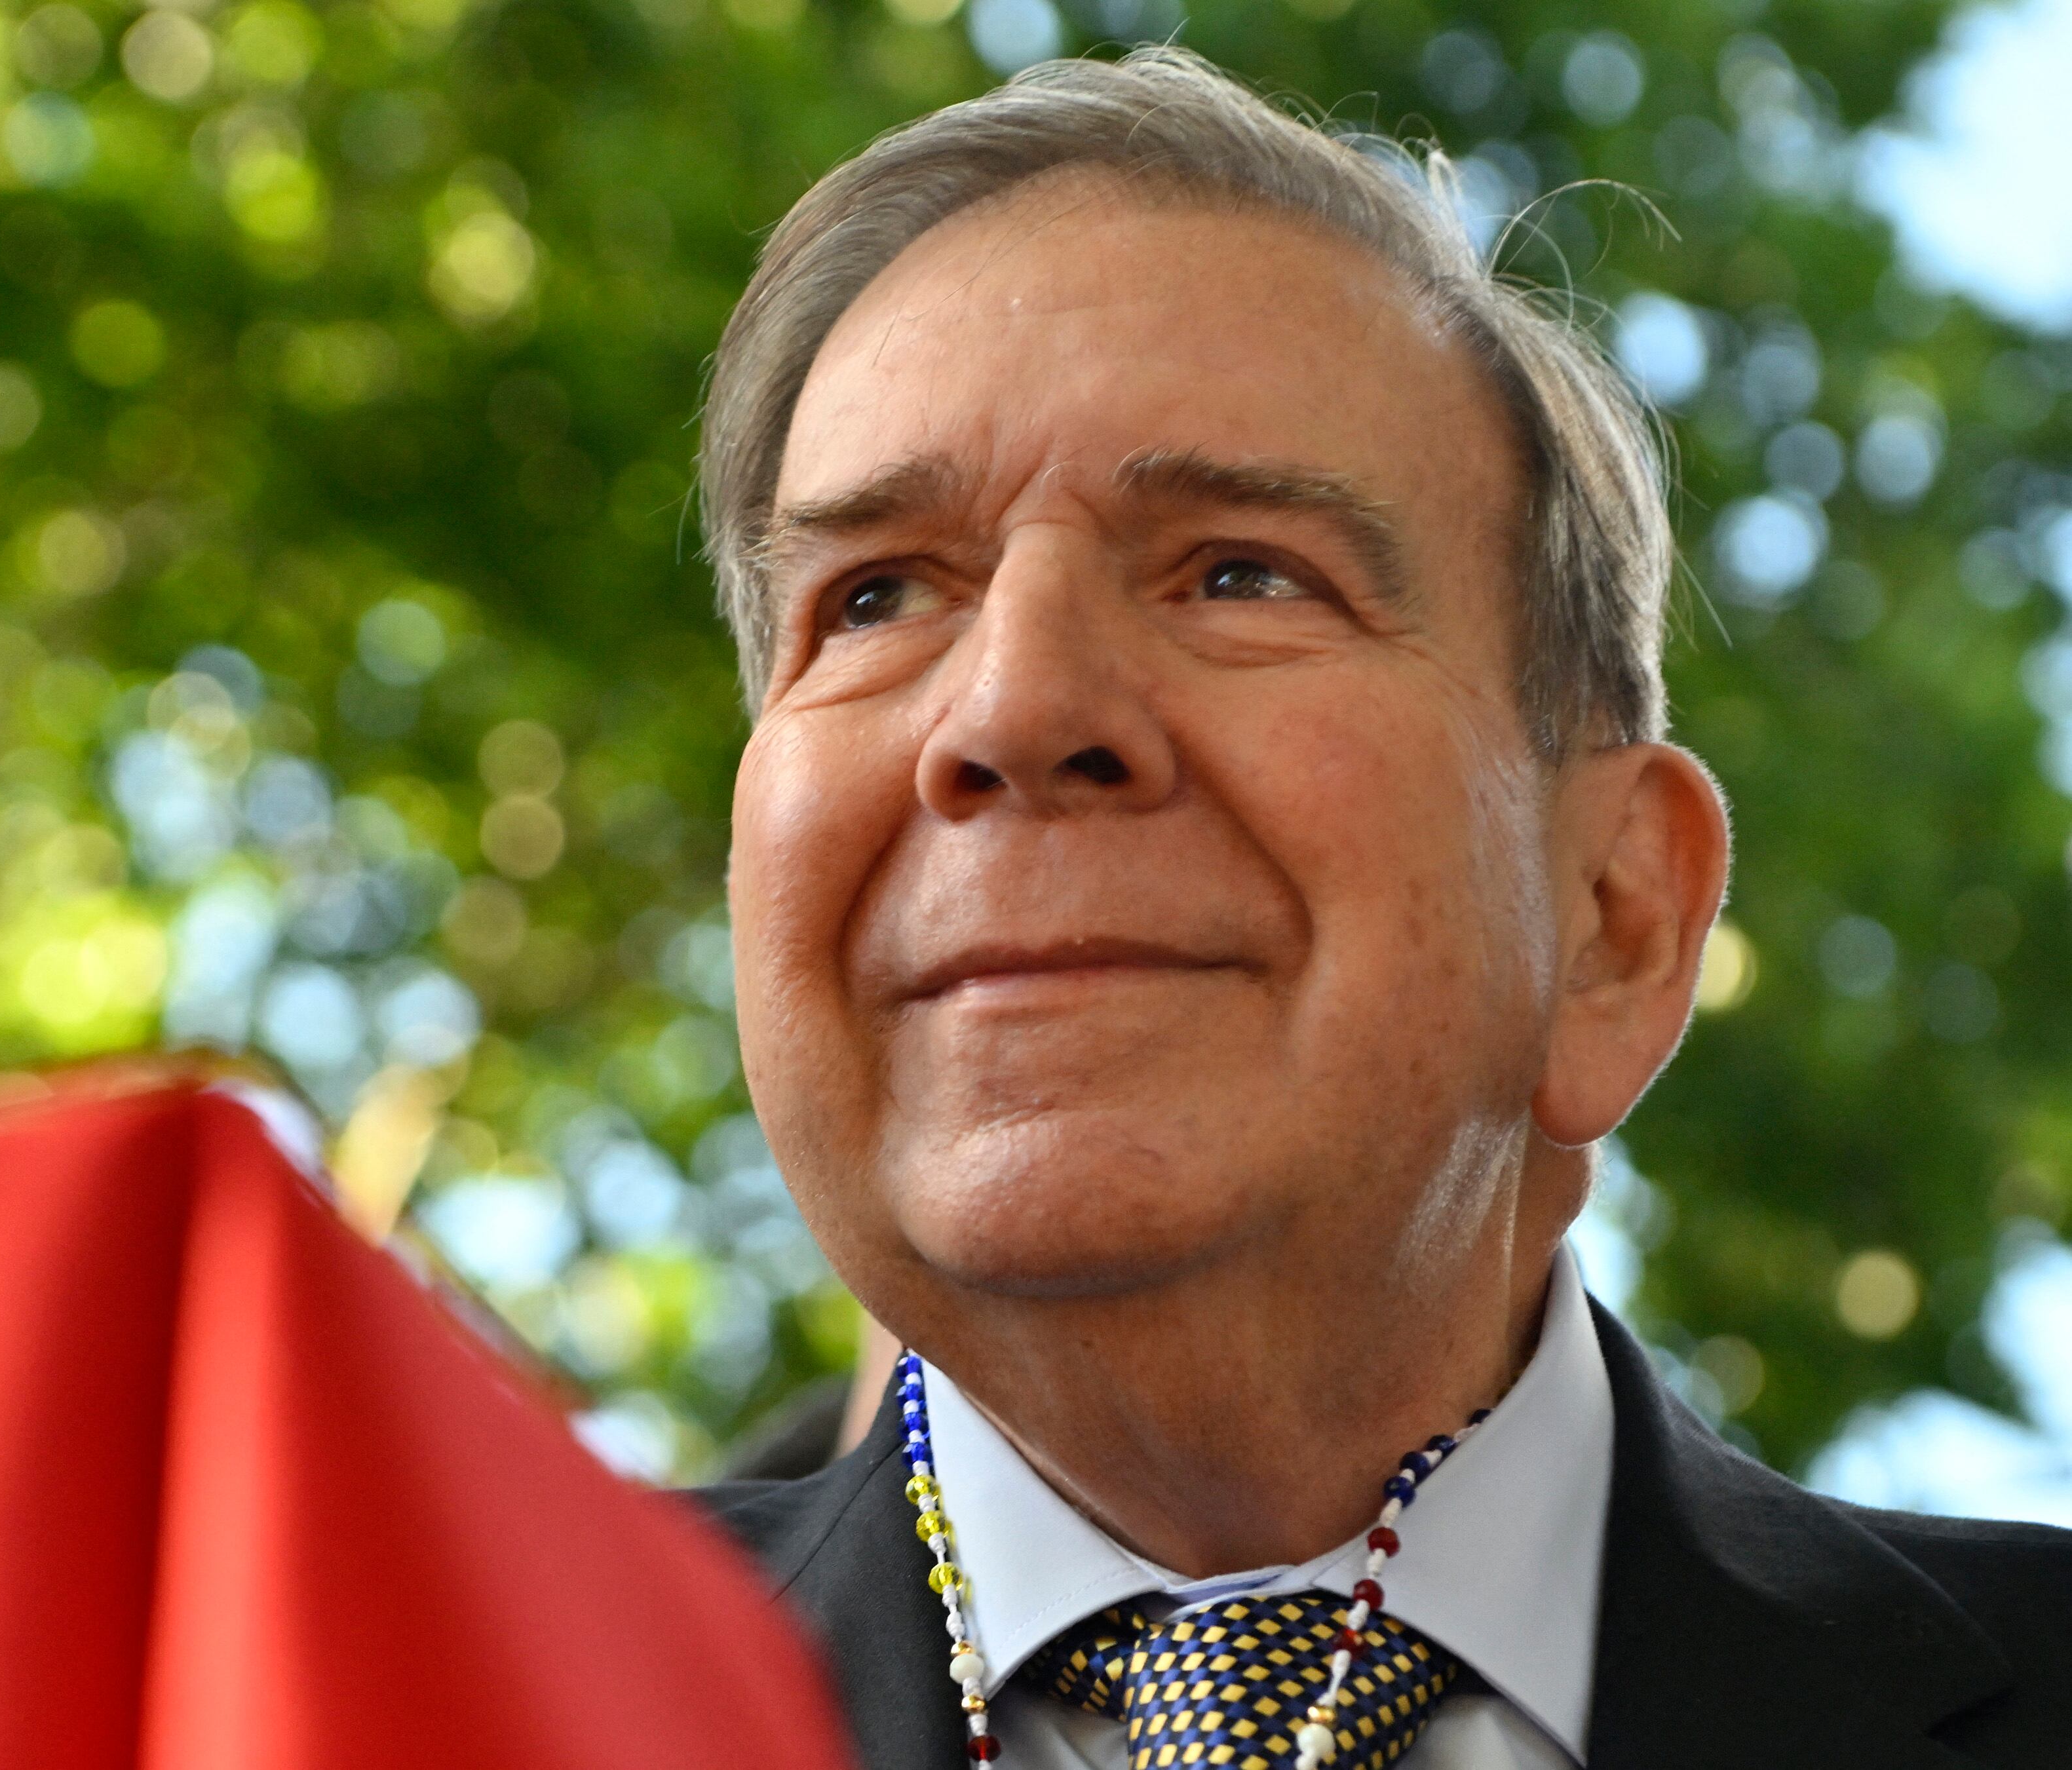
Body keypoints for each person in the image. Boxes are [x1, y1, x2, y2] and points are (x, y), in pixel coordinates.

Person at [691, 46, 2072, 1770]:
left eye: (1240, 572)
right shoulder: (384, 1702)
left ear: (1612, 919)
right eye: (877, 595)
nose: (1008, 711)